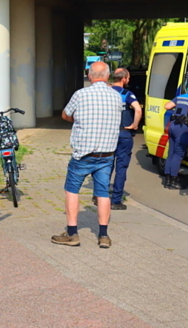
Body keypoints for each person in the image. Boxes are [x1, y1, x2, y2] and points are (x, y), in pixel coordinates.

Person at [52, 60, 123, 249]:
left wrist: (79, 118)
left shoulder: (80, 94)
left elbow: (66, 115)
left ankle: (73, 233)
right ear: (107, 76)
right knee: (102, 193)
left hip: (83, 154)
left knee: (72, 189)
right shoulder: (117, 97)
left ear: (89, 76)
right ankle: (103, 236)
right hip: (106, 154)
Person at [106, 68, 141, 210]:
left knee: (106, 166)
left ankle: (99, 196)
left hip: (108, 134)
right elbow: (138, 109)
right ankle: (116, 200)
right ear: (124, 78)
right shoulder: (127, 94)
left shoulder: (106, 93)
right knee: (121, 168)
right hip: (124, 134)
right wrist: (134, 125)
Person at [162, 80, 188, 189]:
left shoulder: (181, 96)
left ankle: (167, 180)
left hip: (173, 125)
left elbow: (167, 106)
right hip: (182, 128)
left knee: (171, 153)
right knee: (178, 155)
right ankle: (174, 181)